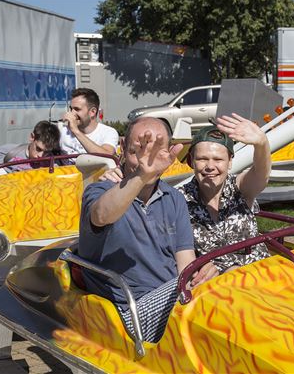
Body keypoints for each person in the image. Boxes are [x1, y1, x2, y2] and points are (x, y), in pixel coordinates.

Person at [78, 116, 217, 343]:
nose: (147, 161)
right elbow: (102, 214)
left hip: (171, 301)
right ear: (122, 147)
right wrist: (141, 176)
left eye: (156, 153)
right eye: (138, 151)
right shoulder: (100, 190)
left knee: (226, 284)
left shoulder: (174, 198)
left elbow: (185, 265)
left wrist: (201, 275)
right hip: (126, 313)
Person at [102, 113, 272, 274]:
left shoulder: (239, 188)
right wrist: (121, 178)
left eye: (218, 159)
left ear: (229, 163)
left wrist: (262, 143)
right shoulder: (178, 199)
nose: (210, 166)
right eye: (202, 159)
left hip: (262, 275)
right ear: (191, 162)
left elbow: (260, 174)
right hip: (218, 287)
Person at [0, 120, 61, 187]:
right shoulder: (9, 152)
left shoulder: (52, 162)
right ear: (32, 137)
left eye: (47, 152)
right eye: (38, 149)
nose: (41, 156)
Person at [59, 88, 119, 161]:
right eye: (71, 109)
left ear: (92, 112)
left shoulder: (108, 132)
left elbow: (107, 157)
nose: (72, 113)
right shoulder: (63, 131)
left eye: (77, 109)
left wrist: (76, 131)